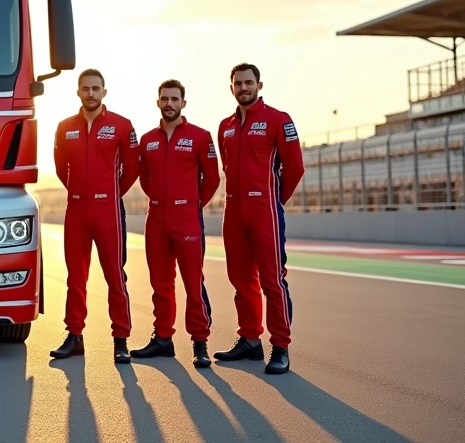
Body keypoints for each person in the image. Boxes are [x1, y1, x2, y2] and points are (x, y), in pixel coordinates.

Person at [214, 63, 304, 375]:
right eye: (238, 83)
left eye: (248, 82)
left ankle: (280, 346)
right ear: (231, 88)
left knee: (271, 280)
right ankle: (250, 340)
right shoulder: (225, 126)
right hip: (234, 210)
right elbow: (226, 167)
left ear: (259, 85)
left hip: (265, 209)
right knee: (240, 279)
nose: (243, 88)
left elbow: (295, 168)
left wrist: (274, 200)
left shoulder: (278, 119)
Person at [50, 69, 139, 363]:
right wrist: (78, 191)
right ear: (78, 92)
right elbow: (62, 167)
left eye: (96, 88)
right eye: (85, 88)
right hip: (76, 210)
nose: (91, 93)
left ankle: (121, 339)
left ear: (104, 92)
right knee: (76, 277)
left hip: (107, 211)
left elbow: (132, 169)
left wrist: (109, 194)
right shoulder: (65, 127)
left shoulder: (121, 126)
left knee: (115, 276)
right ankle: (74, 336)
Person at [131, 79, 220, 367]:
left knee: (193, 284)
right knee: (160, 284)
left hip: (187, 219)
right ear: (158, 102)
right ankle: (163, 339)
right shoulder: (147, 140)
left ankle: (200, 343)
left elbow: (212, 179)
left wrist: (191, 205)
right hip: (156, 218)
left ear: (183, 102)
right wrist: (160, 201)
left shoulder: (200, 136)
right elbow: (144, 178)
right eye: (164, 99)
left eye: (174, 99)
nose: (169, 103)